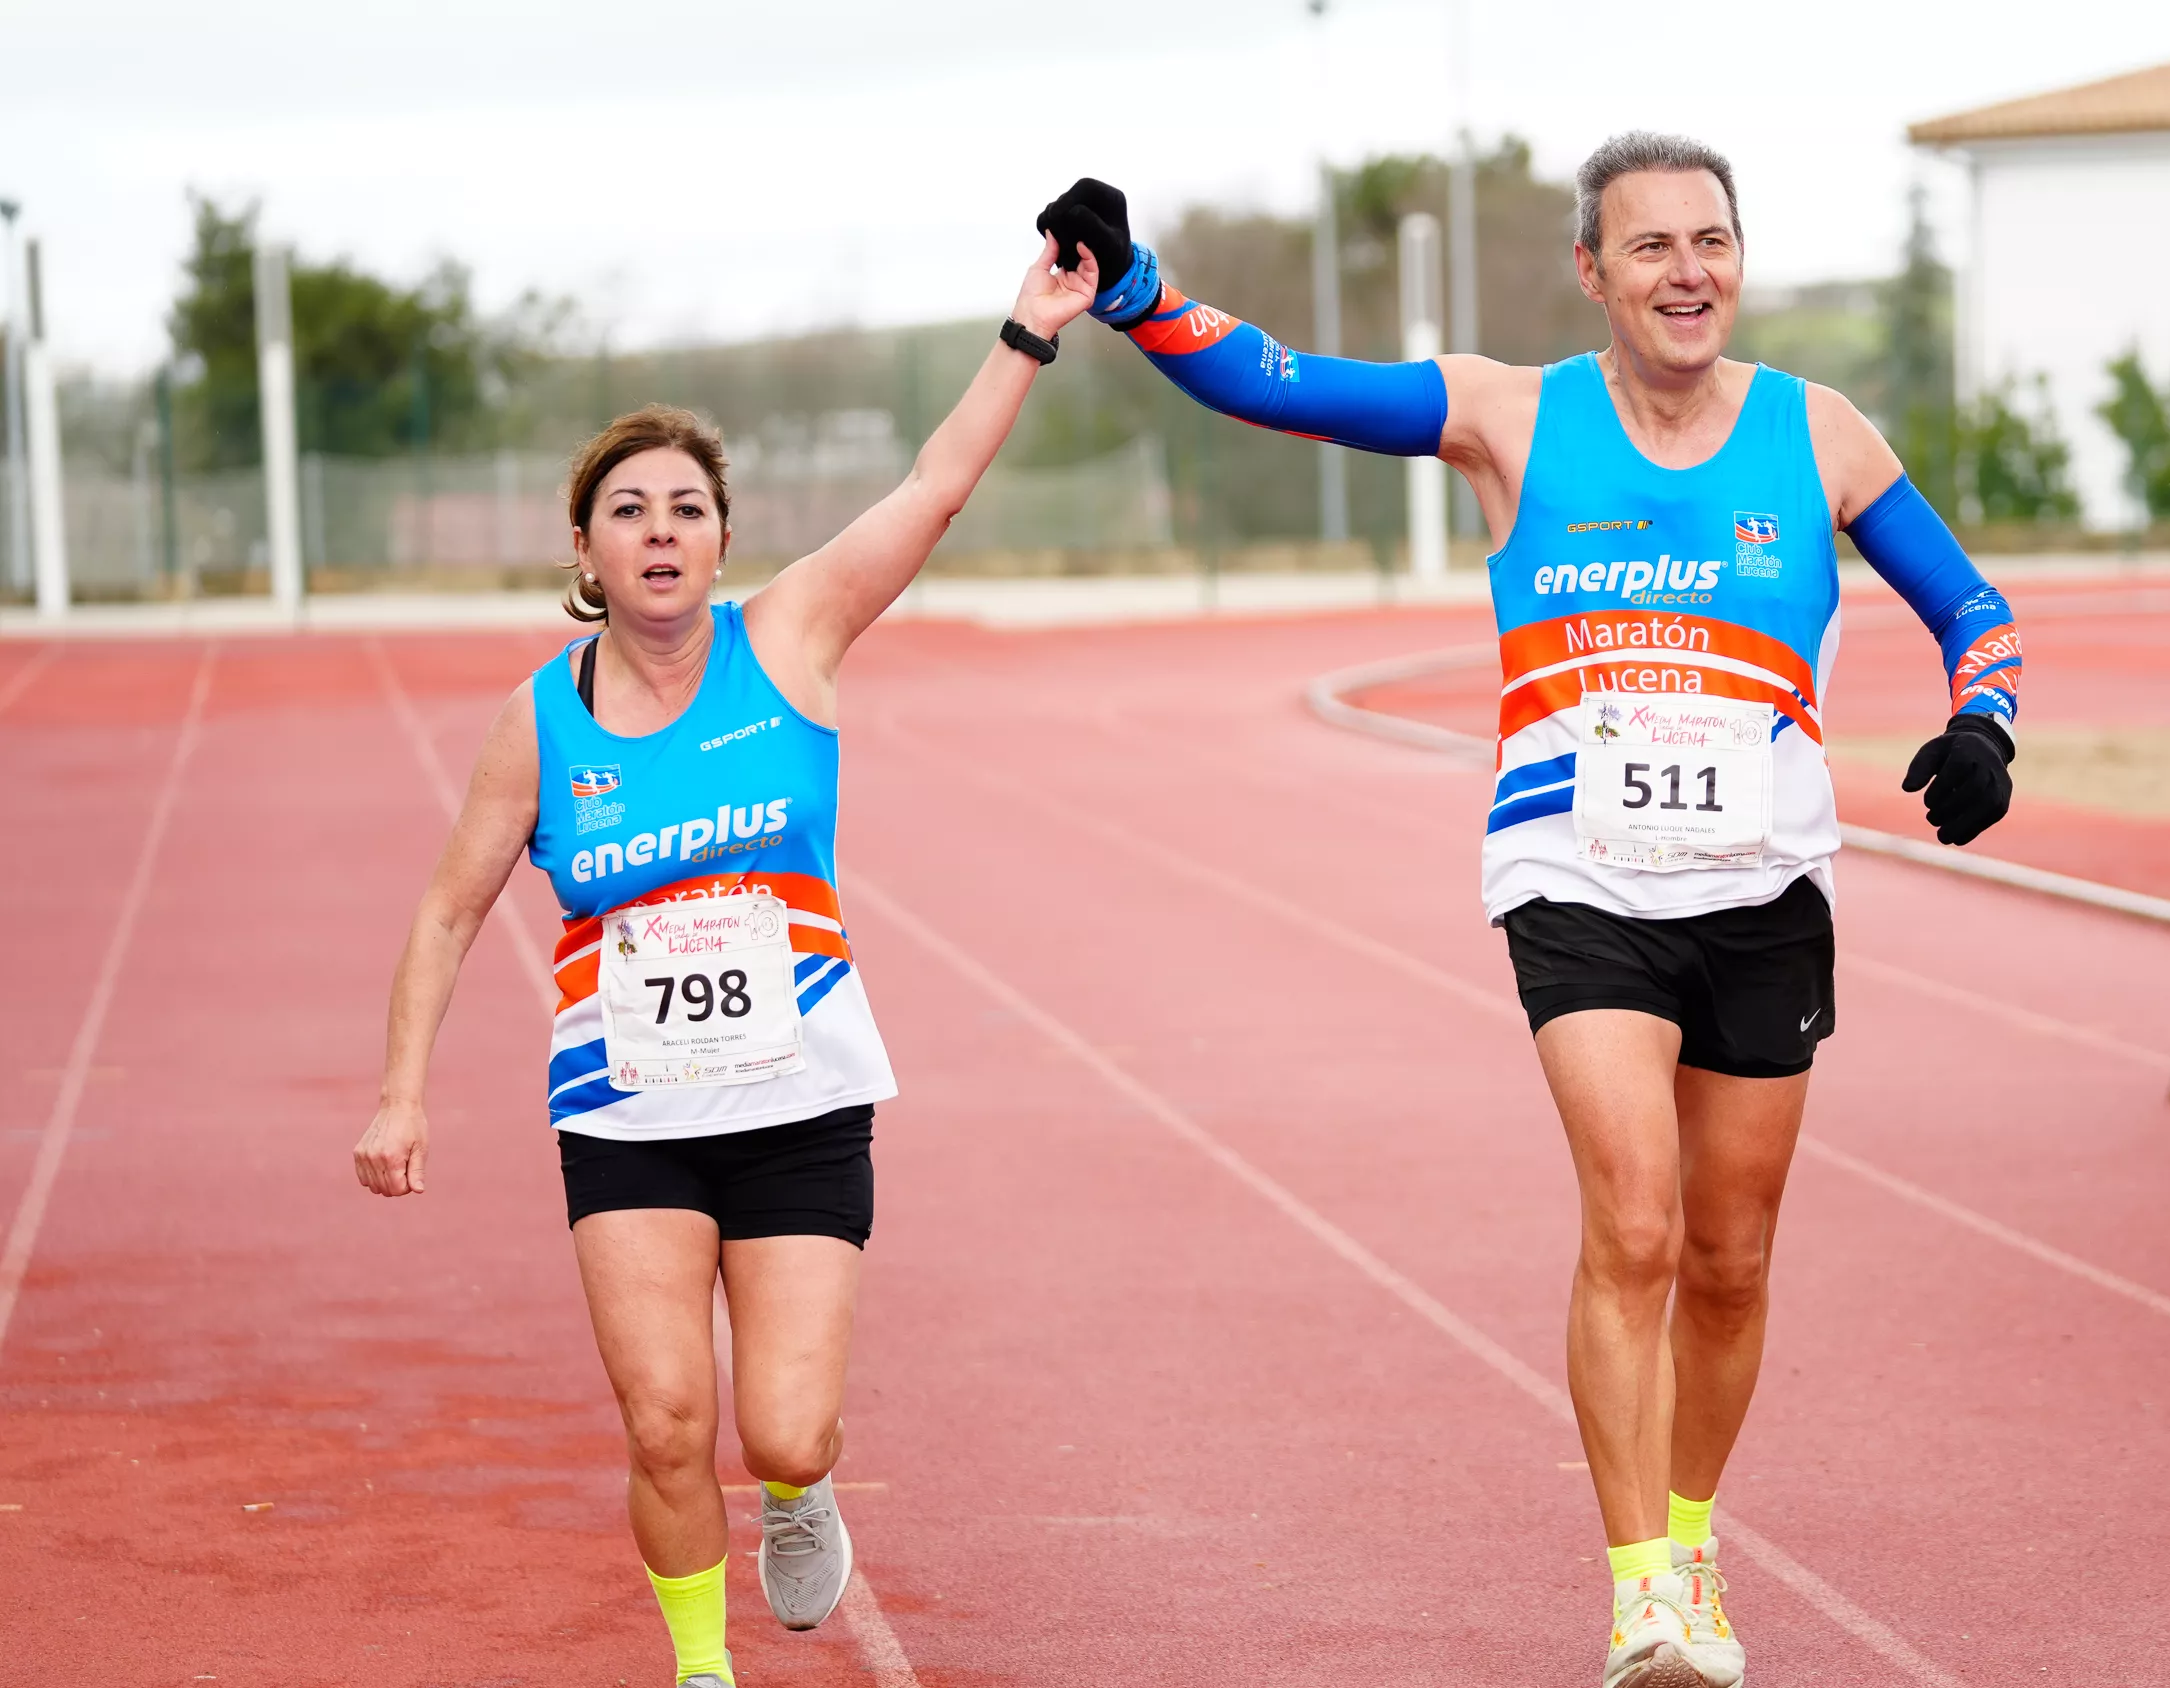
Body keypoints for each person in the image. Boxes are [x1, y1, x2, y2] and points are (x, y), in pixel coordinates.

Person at [1036, 134, 2019, 1688]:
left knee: (1732, 1253)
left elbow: (1974, 607)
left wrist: (1986, 727)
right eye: (1650, 248)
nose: (1687, 273)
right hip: (1576, 880)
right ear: (1593, 271)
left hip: (1764, 887)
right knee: (1632, 1220)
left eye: (1712, 242)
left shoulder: (1818, 435)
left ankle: (1692, 1533)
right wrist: (1138, 292)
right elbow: (1281, 384)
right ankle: (1640, 1589)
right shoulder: (1512, 415)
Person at [352, 235, 1096, 1687]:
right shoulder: (538, 723)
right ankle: (704, 1668)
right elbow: (449, 909)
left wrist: (1030, 328)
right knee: (666, 1422)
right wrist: (402, 1093)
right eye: (626, 510)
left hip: (799, 1101)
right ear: (585, 550)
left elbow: (933, 487)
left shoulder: (796, 639)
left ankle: (805, 1496)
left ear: (721, 539)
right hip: (628, 1115)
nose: (659, 530)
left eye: (686, 508)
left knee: (783, 1431)